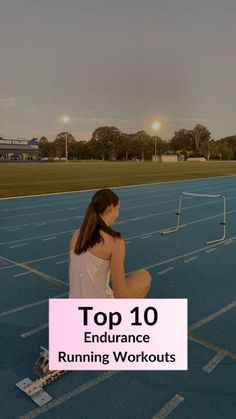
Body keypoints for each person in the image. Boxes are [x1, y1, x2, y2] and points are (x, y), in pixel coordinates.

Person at [68, 188, 151, 298]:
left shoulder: (76, 235)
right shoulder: (115, 242)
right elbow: (120, 294)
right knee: (144, 276)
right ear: (110, 208)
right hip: (99, 312)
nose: (118, 214)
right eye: (118, 209)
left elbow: (71, 278)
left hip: (74, 305)